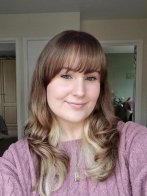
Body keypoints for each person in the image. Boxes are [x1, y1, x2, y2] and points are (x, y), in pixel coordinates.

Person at [0, 30, 147, 196]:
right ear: (44, 84)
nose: (80, 91)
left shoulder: (131, 142)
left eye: (91, 78)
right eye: (66, 75)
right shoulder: (17, 161)